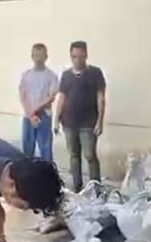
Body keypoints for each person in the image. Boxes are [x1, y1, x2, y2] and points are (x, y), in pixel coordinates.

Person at [54, 41, 106, 192]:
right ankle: (77, 187)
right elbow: (61, 97)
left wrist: (100, 122)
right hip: (69, 122)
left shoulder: (95, 73)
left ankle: (96, 188)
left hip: (88, 123)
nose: (77, 60)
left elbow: (101, 98)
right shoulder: (66, 75)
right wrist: (56, 119)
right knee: (74, 156)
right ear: (71, 56)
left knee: (90, 155)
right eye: (74, 56)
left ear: (86, 55)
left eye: (81, 56)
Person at [19, 43, 59, 162]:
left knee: (45, 149)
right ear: (32, 56)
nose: (38, 59)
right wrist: (30, 114)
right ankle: (27, 172)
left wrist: (35, 111)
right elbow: (22, 96)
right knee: (27, 150)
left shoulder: (51, 76)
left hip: (44, 116)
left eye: (41, 56)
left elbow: (51, 97)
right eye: (36, 55)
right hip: (28, 117)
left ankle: (47, 172)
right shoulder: (26, 75)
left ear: (46, 57)